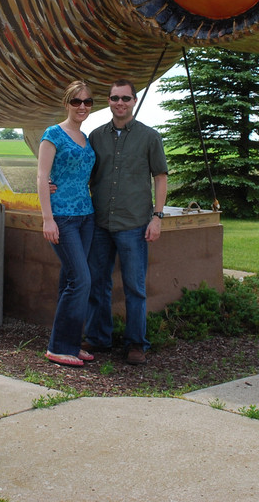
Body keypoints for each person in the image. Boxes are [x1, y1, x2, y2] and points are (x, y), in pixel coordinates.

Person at [83, 78, 167, 365]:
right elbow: (86, 175)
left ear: (134, 101)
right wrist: (53, 184)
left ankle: (136, 344)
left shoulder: (149, 137)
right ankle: (98, 338)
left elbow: (160, 177)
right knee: (98, 284)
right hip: (100, 224)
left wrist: (157, 217)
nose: (120, 103)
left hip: (134, 225)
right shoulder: (95, 136)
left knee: (134, 288)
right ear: (108, 101)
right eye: (114, 98)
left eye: (125, 98)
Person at [36, 80, 98, 367]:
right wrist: (48, 219)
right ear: (66, 103)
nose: (82, 107)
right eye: (76, 101)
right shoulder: (53, 134)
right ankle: (58, 347)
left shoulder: (86, 138)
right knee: (81, 280)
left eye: (87, 102)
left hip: (86, 216)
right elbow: (41, 176)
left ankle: (70, 343)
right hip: (63, 218)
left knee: (71, 281)